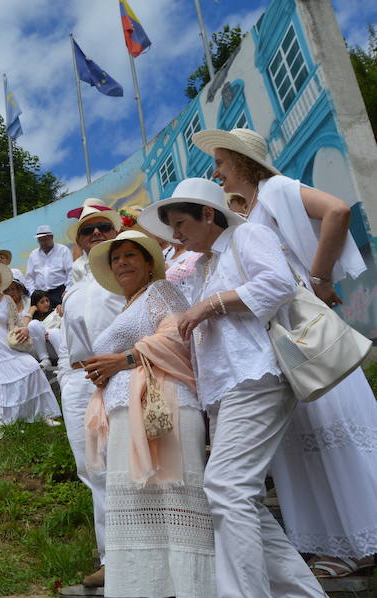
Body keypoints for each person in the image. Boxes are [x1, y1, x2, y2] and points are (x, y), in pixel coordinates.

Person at [194, 127, 377, 577]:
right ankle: (336, 540)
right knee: (307, 442)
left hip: (303, 330)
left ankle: (363, 541)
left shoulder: (275, 188)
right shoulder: (249, 209)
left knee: (334, 431)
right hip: (279, 337)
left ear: (241, 160)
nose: (216, 171)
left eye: (221, 161)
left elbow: (336, 211)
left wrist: (319, 278)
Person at [139, 177, 325, 598]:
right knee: (240, 498)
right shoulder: (205, 265)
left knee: (225, 488)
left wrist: (209, 305)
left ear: (209, 213)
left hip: (255, 375)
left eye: (182, 223)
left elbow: (278, 284)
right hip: (225, 389)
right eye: (173, 229)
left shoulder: (248, 235)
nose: (178, 235)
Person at [82, 231, 216, 597]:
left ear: (148, 263)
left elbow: (177, 335)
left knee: (178, 496)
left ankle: (193, 587)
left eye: (130, 255)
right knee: (140, 505)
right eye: (116, 258)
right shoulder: (130, 305)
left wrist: (121, 360)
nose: (122, 262)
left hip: (165, 406)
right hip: (128, 412)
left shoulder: (161, 292)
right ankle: (148, 586)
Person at [53, 198, 124, 587]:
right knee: (92, 468)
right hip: (77, 378)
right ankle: (111, 556)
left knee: (124, 463)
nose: (96, 234)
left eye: (103, 228)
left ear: (115, 231)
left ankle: (137, 551)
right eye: (87, 230)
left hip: (119, 372)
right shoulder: (75, 278)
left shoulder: (125, 265)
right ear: (78, 241)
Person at [0, 261, 60, 439]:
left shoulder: (7, 300)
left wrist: (23, 330)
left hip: (4, 348)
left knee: (31, 367)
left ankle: (42, 413)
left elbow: (14, 326)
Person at [25, 225, 72, 308]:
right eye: (40, 240)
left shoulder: (63, 250)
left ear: (52, 237)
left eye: (45, 239)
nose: (43, 242)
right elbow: (29, 277)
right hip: (41, 295)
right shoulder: (33, 255)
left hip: (60, 291)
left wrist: (68, 290)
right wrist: (33, 293)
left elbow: (71, 272)